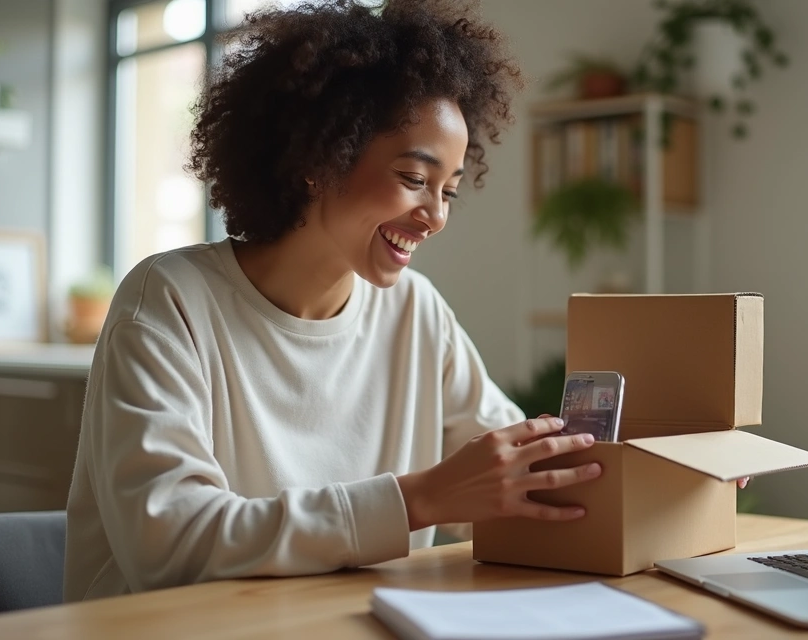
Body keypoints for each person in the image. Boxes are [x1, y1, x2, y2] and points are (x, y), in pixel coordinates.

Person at [63, 0, 745, 602]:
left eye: (448, 189)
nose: (435, 216)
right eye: (413, 177)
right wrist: (419, 499)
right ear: (318, 157)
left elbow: (524, 476)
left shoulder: (414, 311)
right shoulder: (168, 303)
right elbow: (169, 542)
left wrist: (663, 474)